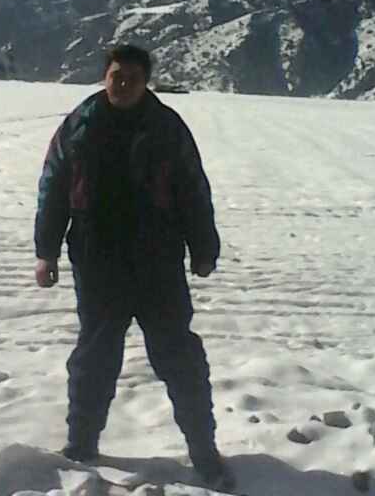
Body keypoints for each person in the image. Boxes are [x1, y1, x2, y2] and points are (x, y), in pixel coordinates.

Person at [34, 44, 234, 491]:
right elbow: (53, 187)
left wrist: (204, 247)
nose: (123, 84)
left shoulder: (167, 128)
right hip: (97, 259)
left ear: (146, 82)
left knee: (179, 356)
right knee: (95, 356)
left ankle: (204, 452)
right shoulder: (79, 126)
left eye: (132, 78)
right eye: (116, 76)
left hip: (157, 262)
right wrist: (46, 250)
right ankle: (81, 443)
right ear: (104, 76)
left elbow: (193, 190)